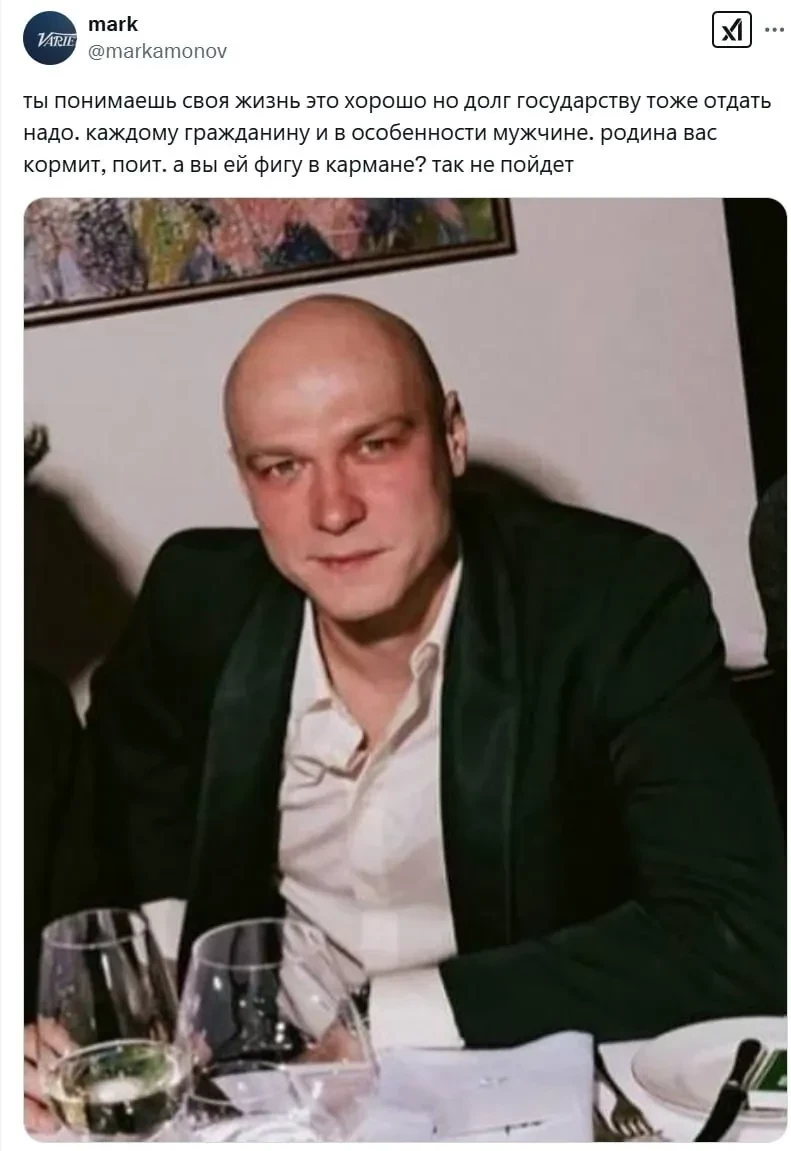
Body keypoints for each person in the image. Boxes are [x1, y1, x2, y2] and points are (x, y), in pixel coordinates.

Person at [28, 295, 783, 1119]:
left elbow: (740, 933)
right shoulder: (195, 599)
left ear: (452, 435)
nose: (333, 509)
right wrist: (124, 1017)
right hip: (266, 1101)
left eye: (374, 445)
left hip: (517, 1087)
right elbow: (111, 855)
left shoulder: (610, 603)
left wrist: (380, 1020)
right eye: (282, 466)